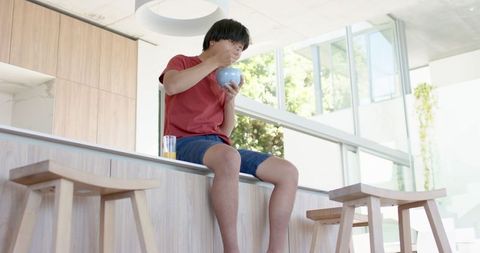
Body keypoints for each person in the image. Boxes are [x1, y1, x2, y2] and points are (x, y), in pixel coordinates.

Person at [159, 19, 298, 253]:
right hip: (182, 143)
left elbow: (225, 132)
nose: (237, 50)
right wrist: (214, 61)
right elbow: (172, 86)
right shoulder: (182, 61)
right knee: (228, 156)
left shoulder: (222, 78)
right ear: (213, 40)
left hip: (218, 146)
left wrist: (231, 99)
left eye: (241, 48)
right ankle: (231, 249)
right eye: (233, 43)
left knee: (288, 172)